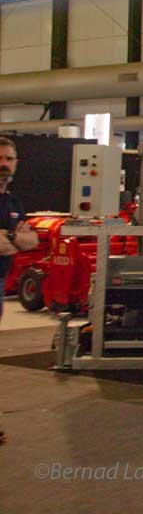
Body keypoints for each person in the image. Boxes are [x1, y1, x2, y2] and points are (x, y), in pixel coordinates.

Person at [0, 136, 39, 447]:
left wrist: (10, 236)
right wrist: (14, 238)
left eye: (9, 159)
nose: (4, 164)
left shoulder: (12, 203)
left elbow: (31, 241)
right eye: (0, 158)